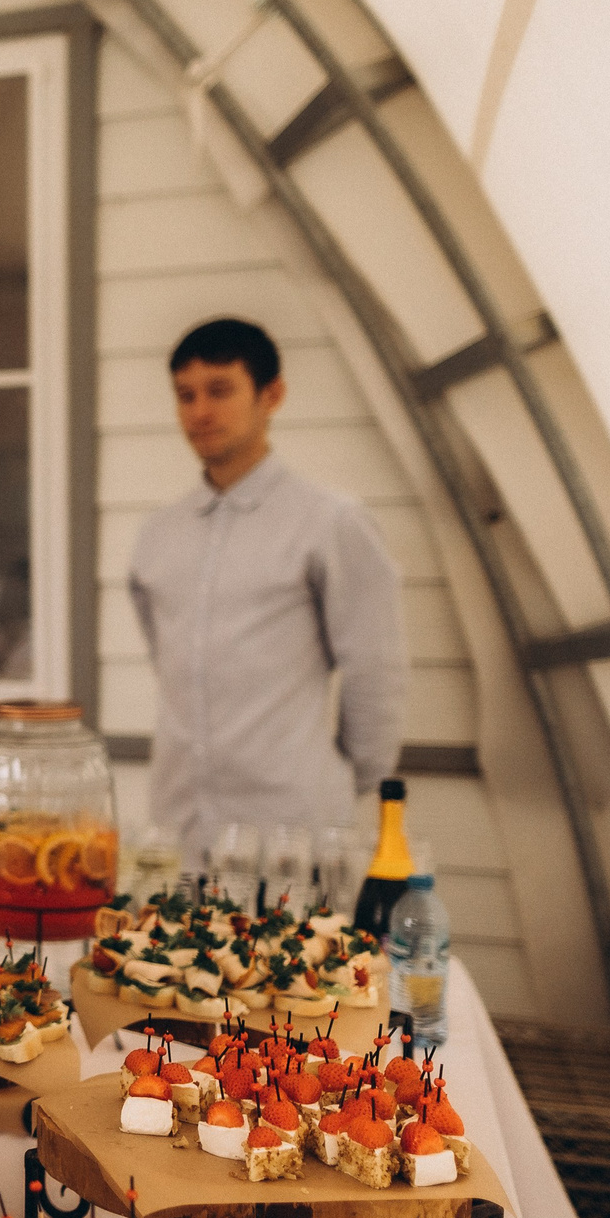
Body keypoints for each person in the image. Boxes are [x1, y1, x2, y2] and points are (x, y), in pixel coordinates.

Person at [127, 317, 407, 865]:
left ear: (271, 395)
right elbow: (172, 663)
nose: (200, 411)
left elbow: (376, 668)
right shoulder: (158, 534)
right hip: (180, 827)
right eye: (185, 395)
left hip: (289, 830)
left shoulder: (330, 521)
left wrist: (345, 780)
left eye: (220, 390)